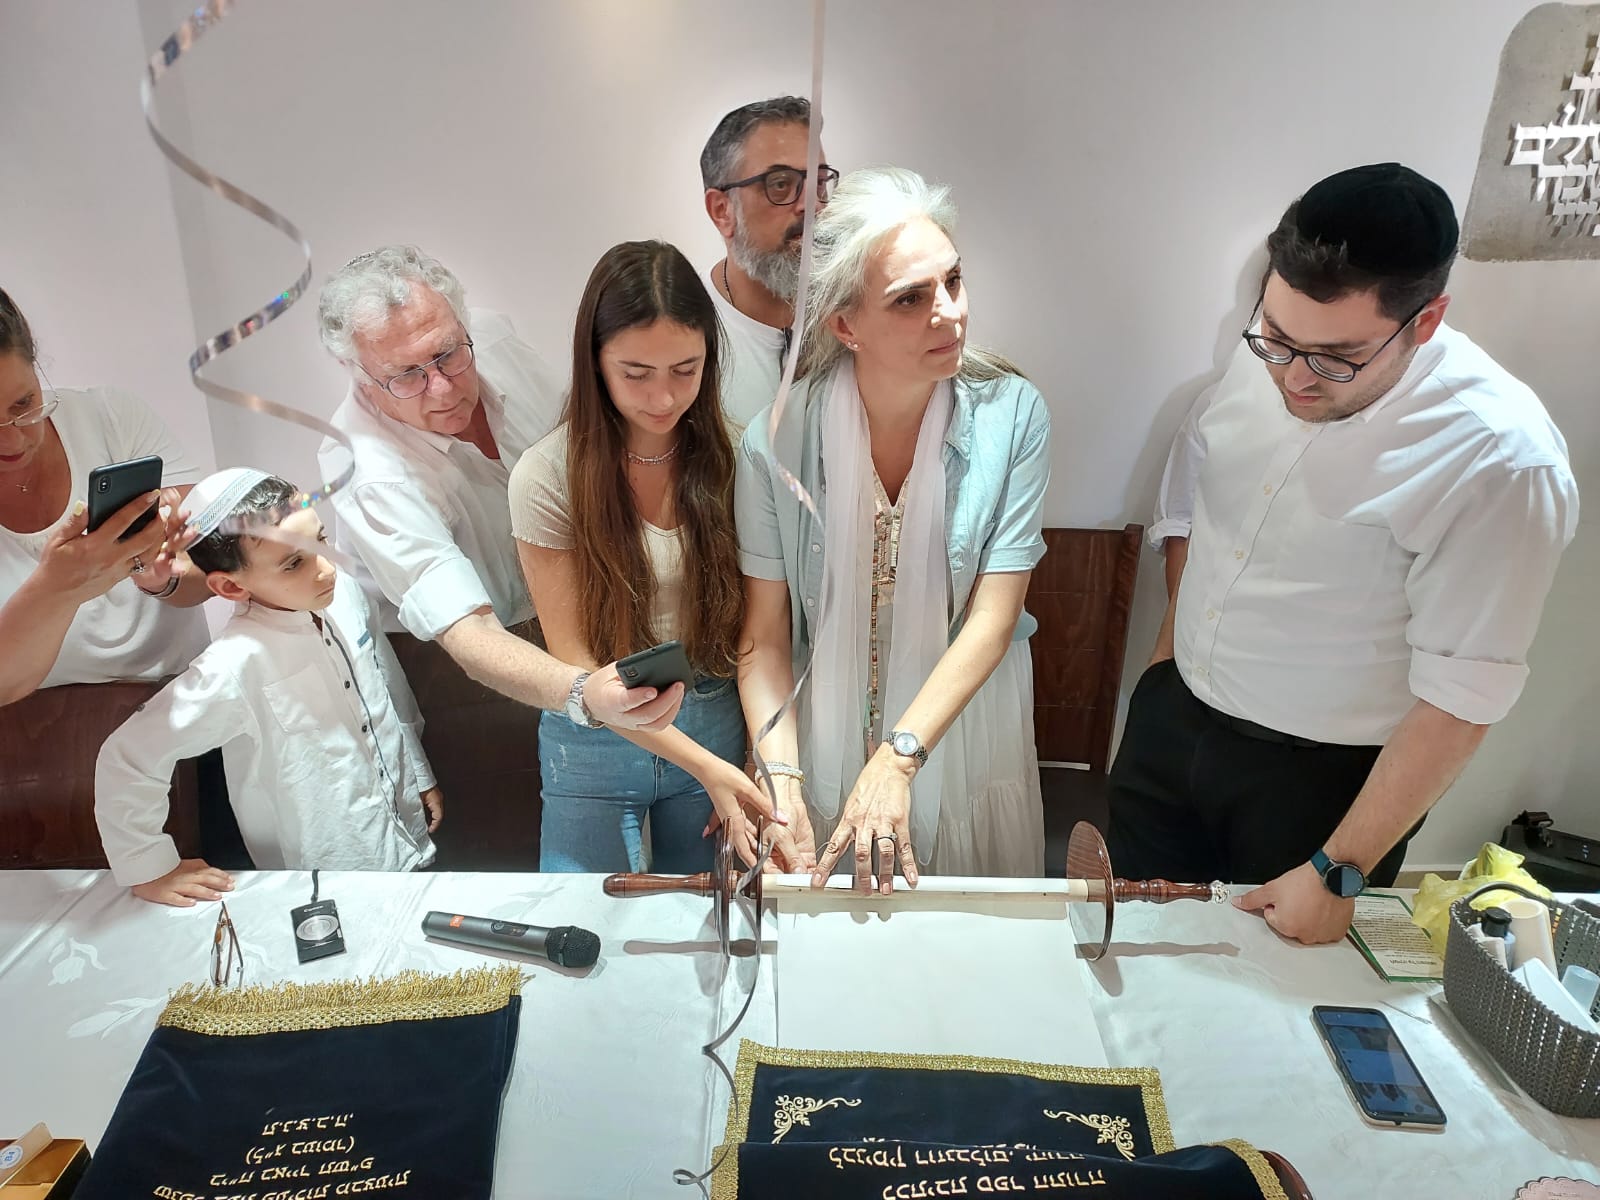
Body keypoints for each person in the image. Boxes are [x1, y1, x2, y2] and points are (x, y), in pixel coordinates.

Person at [1109, 163, 1579, 944]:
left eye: (1335, 358)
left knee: (1269, 990)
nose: (1294, 376)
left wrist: (1340, 869)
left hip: (1318, 789)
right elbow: (1205, 501)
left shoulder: (1499, 459)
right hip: (1174, 719)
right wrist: (1164, 668)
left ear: (1425, 321)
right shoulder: (1271, 349)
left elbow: (1463, 695)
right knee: (1128, 945)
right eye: (1277, 338)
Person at [737, 166, 1050, 893]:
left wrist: (900, 756)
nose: (949, 313)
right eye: (910, 299)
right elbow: (765, 637)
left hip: (960, 725)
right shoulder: (775, 443)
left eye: (954, 281)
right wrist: (781, 775)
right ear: (845, 325)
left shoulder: (1013, 415)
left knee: (960, 937)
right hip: (819, 731)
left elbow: (993, 619)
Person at [316, 245, 682, 733]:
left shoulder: (493, 338)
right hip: (461, 657)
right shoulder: (367, 470)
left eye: (447, 354)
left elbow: (588, 445)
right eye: (406, 376)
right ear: (361, 379)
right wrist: (582, 693)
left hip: (577, 604)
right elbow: (468, 629)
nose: (442, 387)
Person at [510, 241, 781, 872]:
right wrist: (709, 768)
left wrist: (753, 758)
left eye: (685, 370)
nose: (662, 398)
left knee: (714, 917)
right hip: (593, 737)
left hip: (711, 713)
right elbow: (576, 663)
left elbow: (762, 633)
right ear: (595, 361)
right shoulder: (547, 476)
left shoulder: (736, 459)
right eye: (636, 374)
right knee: (583, 918)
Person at [95, 469, 441, 906]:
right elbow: (128, 756)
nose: (326, 569)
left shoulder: (346, 594)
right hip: (327, 884)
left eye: (320, 541)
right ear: (230, 586)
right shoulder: (233, 665)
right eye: (294, 563)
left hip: (411, 842)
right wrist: (149, 867)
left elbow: (384, 681)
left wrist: (419, 773)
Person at [0, 285, 208, 705]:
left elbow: (212, 571)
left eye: (23, 404)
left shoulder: (112, 417)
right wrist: (57, 587)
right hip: (40, 734)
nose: (12, 440)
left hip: (183, 705)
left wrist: (162, 578)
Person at [700, 97, 838, 427]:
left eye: (819, 183)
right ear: (722, 210)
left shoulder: (853, 316)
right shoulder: (687, 333)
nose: (812, 206)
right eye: (780, 184)